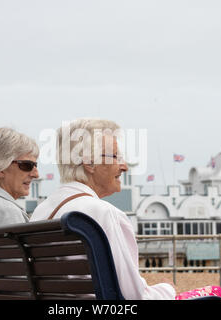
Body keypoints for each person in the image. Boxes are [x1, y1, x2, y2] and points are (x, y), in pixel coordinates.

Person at [30, 118, 177, 299]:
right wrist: (168, 290)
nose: (124, 166)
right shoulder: (102, 214)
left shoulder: (41, 212)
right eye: (115, 156)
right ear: (89, 163)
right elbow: (133, 297)